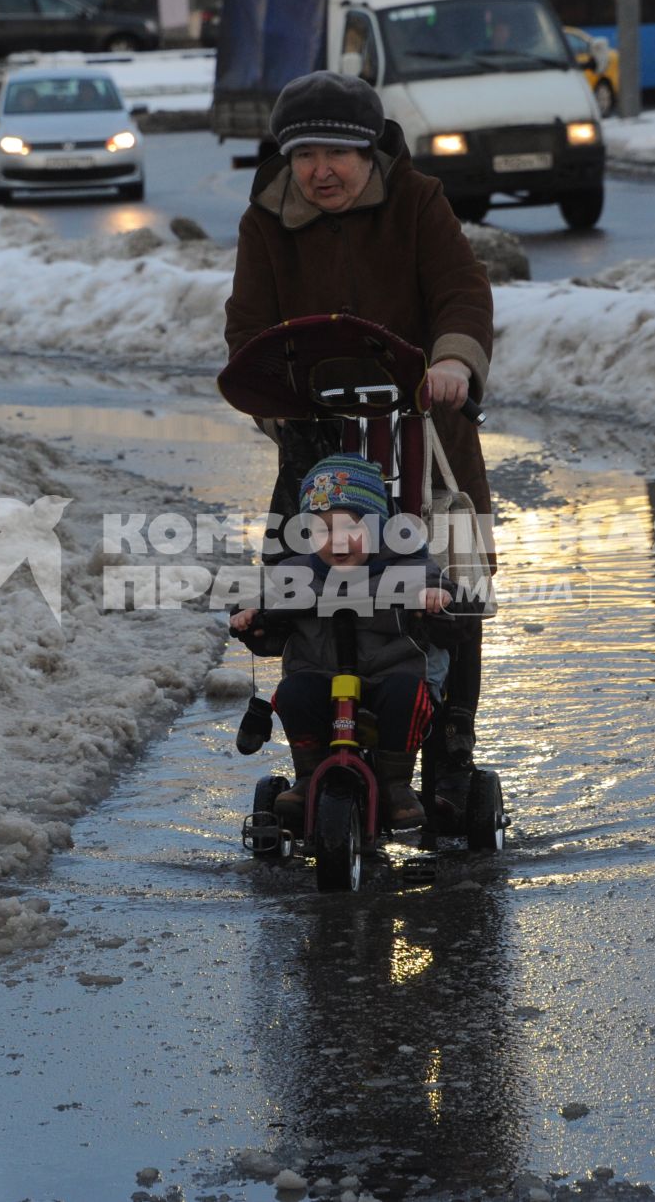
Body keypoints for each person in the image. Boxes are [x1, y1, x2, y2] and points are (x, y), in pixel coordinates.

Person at [223, 69, 495, 794]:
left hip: (426, 433)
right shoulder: (265, 221)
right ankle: (316, 747)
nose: (319, 171)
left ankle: (449, 751)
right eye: (303, 155)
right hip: (318, 445)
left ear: (369, 151)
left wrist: (452, 362)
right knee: (301, 582)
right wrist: (276, 403)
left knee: (454, 583)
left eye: (335, 155)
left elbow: (461, 293)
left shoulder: (416, 201)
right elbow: (248, 332)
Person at [230, 455, 453, 832]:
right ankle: (309, 774)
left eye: (350, 529)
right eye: (320, 531)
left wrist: (437, 598)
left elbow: (443, 593)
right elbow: (268, 617)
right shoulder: (294, 573)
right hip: (318, 673)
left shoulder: (408, 568)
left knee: (407, 695)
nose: (335, 542)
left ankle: (394, 784)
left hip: (390, 673)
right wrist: (251, 618)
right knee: (293, 693)